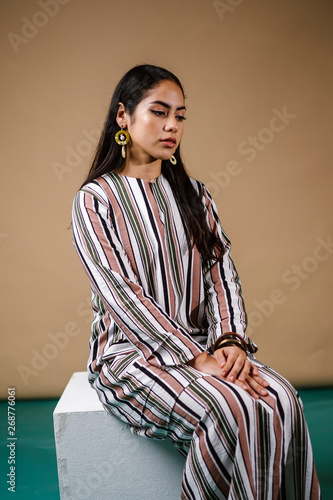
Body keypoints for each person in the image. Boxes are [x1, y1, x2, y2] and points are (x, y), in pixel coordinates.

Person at [71, 64, 321, 499]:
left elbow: (222, 276)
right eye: (159, 112)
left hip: (207, 346)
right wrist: (193, 359)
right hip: (131, 358)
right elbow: (121, 295)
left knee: (282, 400)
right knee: (231, 408)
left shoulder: (195, 194)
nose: (172, 126)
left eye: (181, 116)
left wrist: (229, 343)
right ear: (123, 117)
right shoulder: (95, 200)